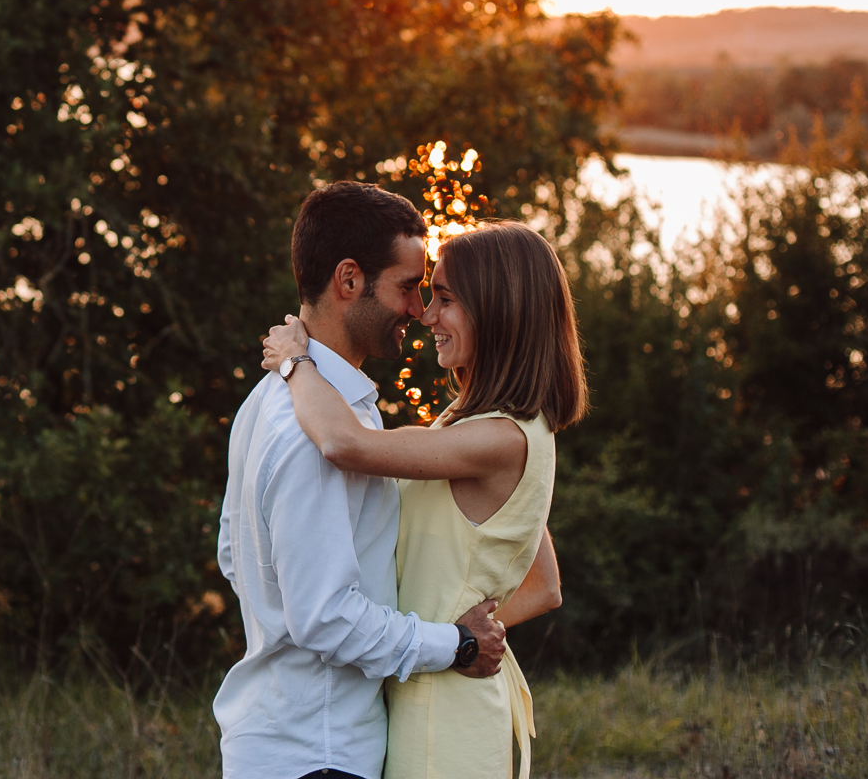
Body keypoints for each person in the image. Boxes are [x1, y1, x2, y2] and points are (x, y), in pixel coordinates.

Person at [260, 219, 588, 779]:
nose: (427, 316)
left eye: (445, 299)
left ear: (498, 310)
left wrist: (296, 361)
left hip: (447, 716)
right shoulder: (486, 429)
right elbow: (544, 584)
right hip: (432, 691)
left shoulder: (499, 439)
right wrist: (460, 637)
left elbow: (344, 442)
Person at [215, 182, 509, 779]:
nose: (418, 310)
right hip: (317, 753)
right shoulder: (311, 435)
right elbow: (325, 617)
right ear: (349, 281)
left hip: (279, 741)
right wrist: (454, 645)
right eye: (407, 286)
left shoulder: (266, 401)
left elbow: (232, 553)